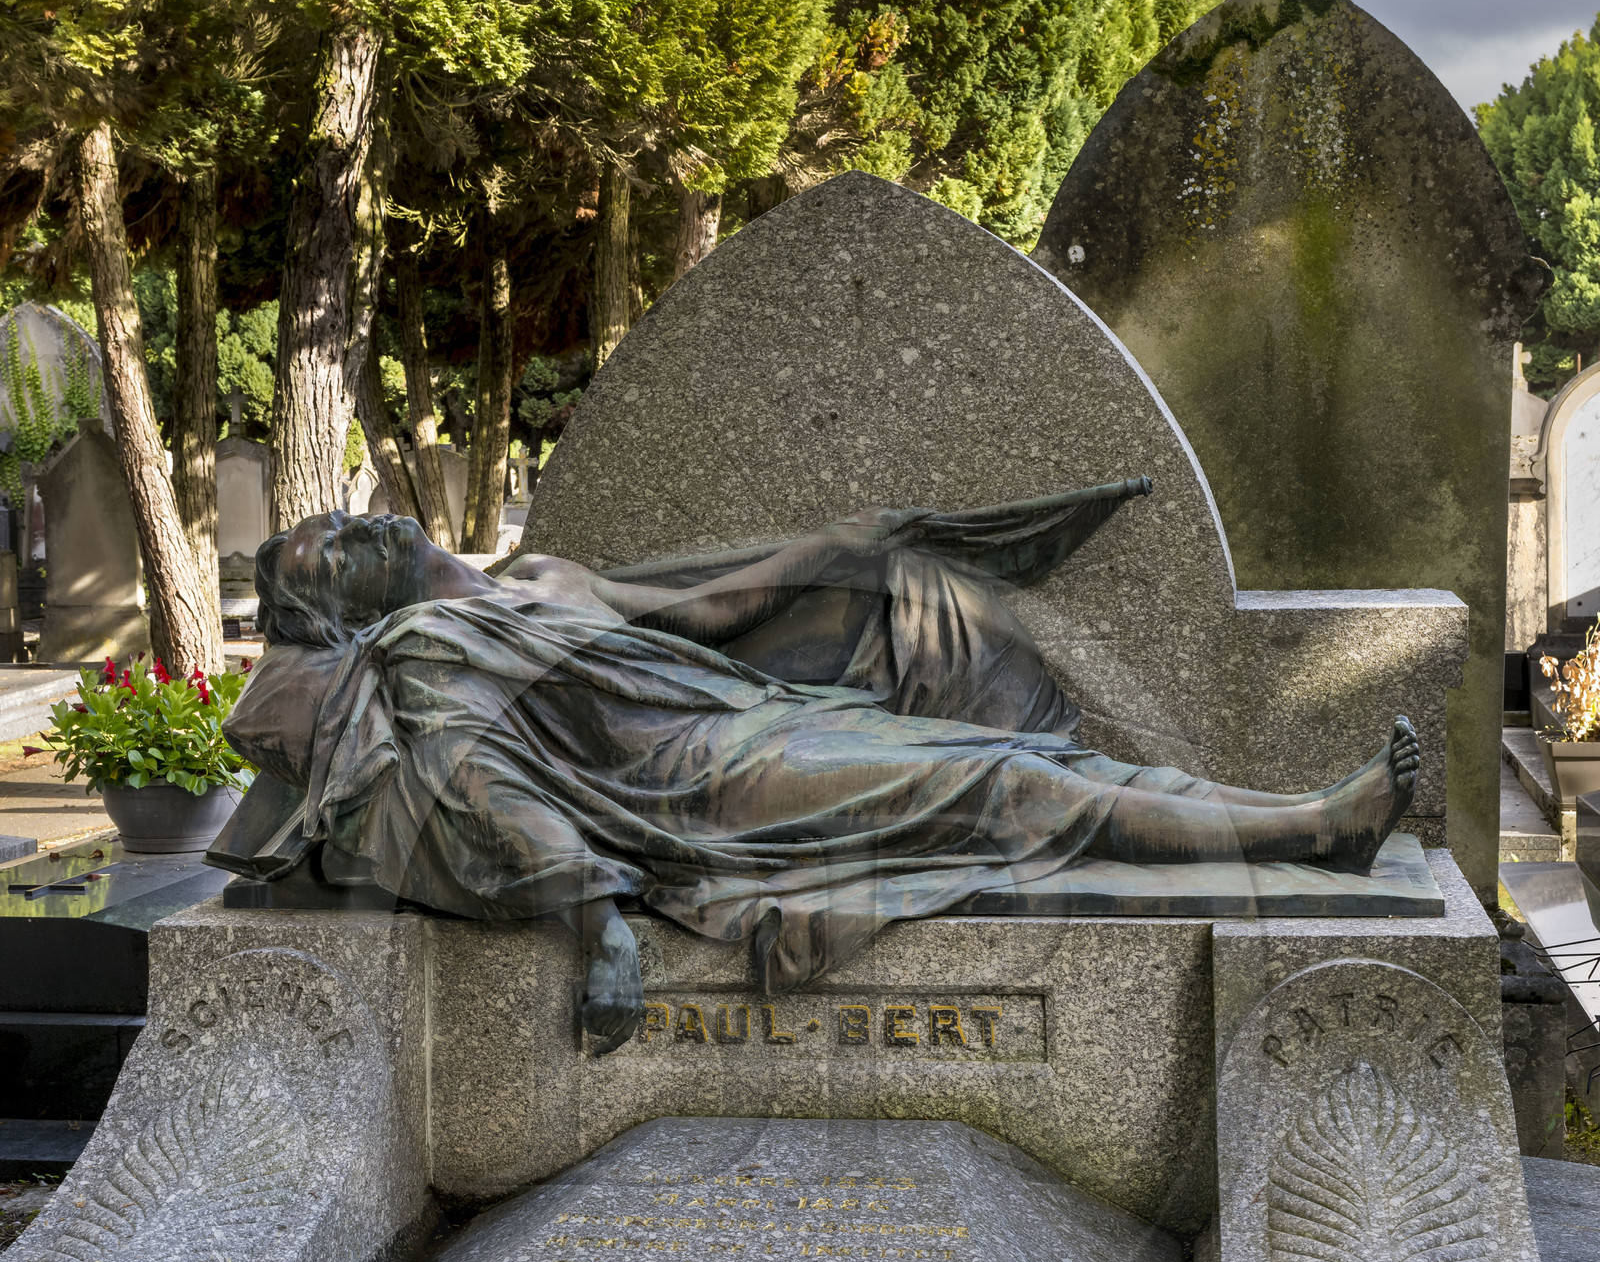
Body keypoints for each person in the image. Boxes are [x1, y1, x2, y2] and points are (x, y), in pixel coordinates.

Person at [222, 491, 1420, 1053]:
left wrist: (846, 551)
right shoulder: (427, 647)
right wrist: (599, 924)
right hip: (707, 789)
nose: (361, 527)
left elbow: (707, 610)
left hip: (764, 719)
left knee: (1026, 765)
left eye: (345, 519)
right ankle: (1309, 830)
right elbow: (478, 783)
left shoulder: (542, 579)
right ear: (348, 608)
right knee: (1007, 789)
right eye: (338, 554)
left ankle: (1304, 821)